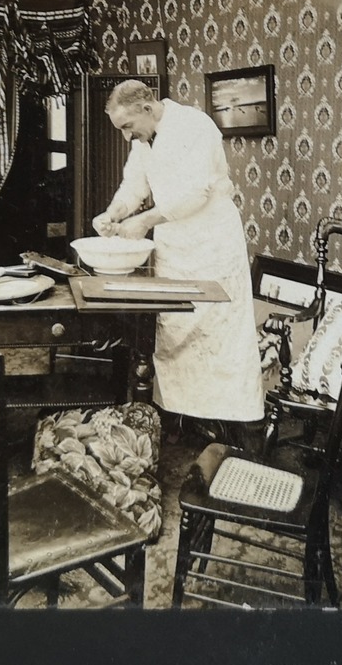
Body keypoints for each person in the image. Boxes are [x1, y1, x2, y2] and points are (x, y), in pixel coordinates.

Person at [93, 79, 265, 444]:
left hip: (212, 241)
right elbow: (134, 186)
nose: (126, 137)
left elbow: (197, 193)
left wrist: (142, 221)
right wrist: (114, 212)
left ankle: (233, 427)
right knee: (175, 329)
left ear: (146, 107)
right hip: (174, 245)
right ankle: (184, 420)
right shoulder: (143, 140)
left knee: (219, 335)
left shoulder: (195, 125)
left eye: (126, 127)